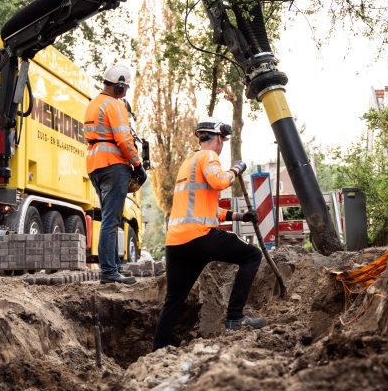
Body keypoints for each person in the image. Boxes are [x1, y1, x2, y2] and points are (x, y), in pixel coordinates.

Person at [153, 116, 265, 350]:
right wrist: (236, 168)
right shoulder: (208, 156)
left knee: (173, 301)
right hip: (200, 238)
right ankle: (235, 316)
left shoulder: (189, 163)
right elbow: (219, 181)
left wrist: (239, 216)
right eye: (222, 140)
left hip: (177, 243)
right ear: (215, 138)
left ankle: (157, 351)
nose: (222, 145)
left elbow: (206, 209)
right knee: (252, 256)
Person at [85, 64, 148, 285]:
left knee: (111, 217)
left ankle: (114, 267)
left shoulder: (94, 104)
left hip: (95, 165)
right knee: (111, 220)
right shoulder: (115, 105)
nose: (126, 92)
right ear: (120, 86)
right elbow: (123, 139)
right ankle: (110, 272)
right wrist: (138, 164)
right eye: (126, 88)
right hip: (114, 165)